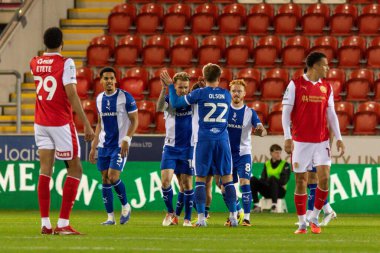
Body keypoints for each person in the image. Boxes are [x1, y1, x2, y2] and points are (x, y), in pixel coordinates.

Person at [31, 27, 95, 235]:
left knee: (45, 170)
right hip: (60, 123)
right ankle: (63, 223)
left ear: (44, 43)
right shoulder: (65, 63)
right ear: (62, 43)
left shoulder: (34, 62)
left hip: (40, 122)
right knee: (75, 169)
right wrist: (86, 122)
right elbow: (71, 94)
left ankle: (45, 224)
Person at [162, 63, 238, 227]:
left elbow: (175, 103)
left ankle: (202, 219)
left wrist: (170, 85)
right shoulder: (226, 94)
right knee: (227, 179)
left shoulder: (199, 93)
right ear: (219, 78)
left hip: (204, 140)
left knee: (201, 180)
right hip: (223, 140)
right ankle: (233, 217)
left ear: (203, 78)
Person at [282, 51, 345, 234]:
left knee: (324, 179)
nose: (328, 68)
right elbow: (286, 113)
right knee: (301, 180)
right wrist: (287, 137)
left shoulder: (327, 87)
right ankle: (302, 223)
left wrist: (339, 138)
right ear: (315, 66)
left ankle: (314, 217)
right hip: (300, 142)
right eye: (325, 65)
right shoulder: (295, 84)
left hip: (321, 141)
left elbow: (331, 115)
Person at [89, 67, 138, 225]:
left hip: (119, 145)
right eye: (106, 78)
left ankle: (126, 206)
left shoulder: (125, 97)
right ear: (101, 80)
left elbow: (135, 120)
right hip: (104, 145)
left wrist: (127, 139)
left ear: (116, 80)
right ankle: (110, 217)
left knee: (113, 176)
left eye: (111, 78)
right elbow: (99, 123)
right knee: (104, 179)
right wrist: (93, 146)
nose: (109, 81)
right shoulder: (99, 99)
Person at [220, 79, 266, 227]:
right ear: (230, 92)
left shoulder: (250, 112)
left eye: (239, 91)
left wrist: (260, 132)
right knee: (224, 188)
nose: (236, 94)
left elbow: (262, 130)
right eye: (234, 91)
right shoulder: (224, 109)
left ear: (244, 94)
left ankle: (246, 218)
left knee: (245, 183)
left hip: (243, 154)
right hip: (226, 154)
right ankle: (235, 212)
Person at [156, 72, 194, 227]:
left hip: (188, 148)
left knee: (186, 184)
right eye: (180, 87)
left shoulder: (192, 101)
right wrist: (164, 89)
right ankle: (170, 212)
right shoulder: (169, 100)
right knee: (165, 181)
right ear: (175, 86)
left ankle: (187, 219)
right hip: (170, 147)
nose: (183, 90)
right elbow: (159, 108)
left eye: (186, 87)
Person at [250, 144, 290, 213]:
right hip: (268, 190)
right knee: (253, 179)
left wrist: (270, 180)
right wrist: (268, 182)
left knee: (273, 178)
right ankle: (256, 205)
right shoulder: (267, 164)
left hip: (280, 191)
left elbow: (284, 181)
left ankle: (274, 205)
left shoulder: (285, 164)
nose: (278, 154)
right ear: (271, 153)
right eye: (276, 152)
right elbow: (263, 178)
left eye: (279, 153)